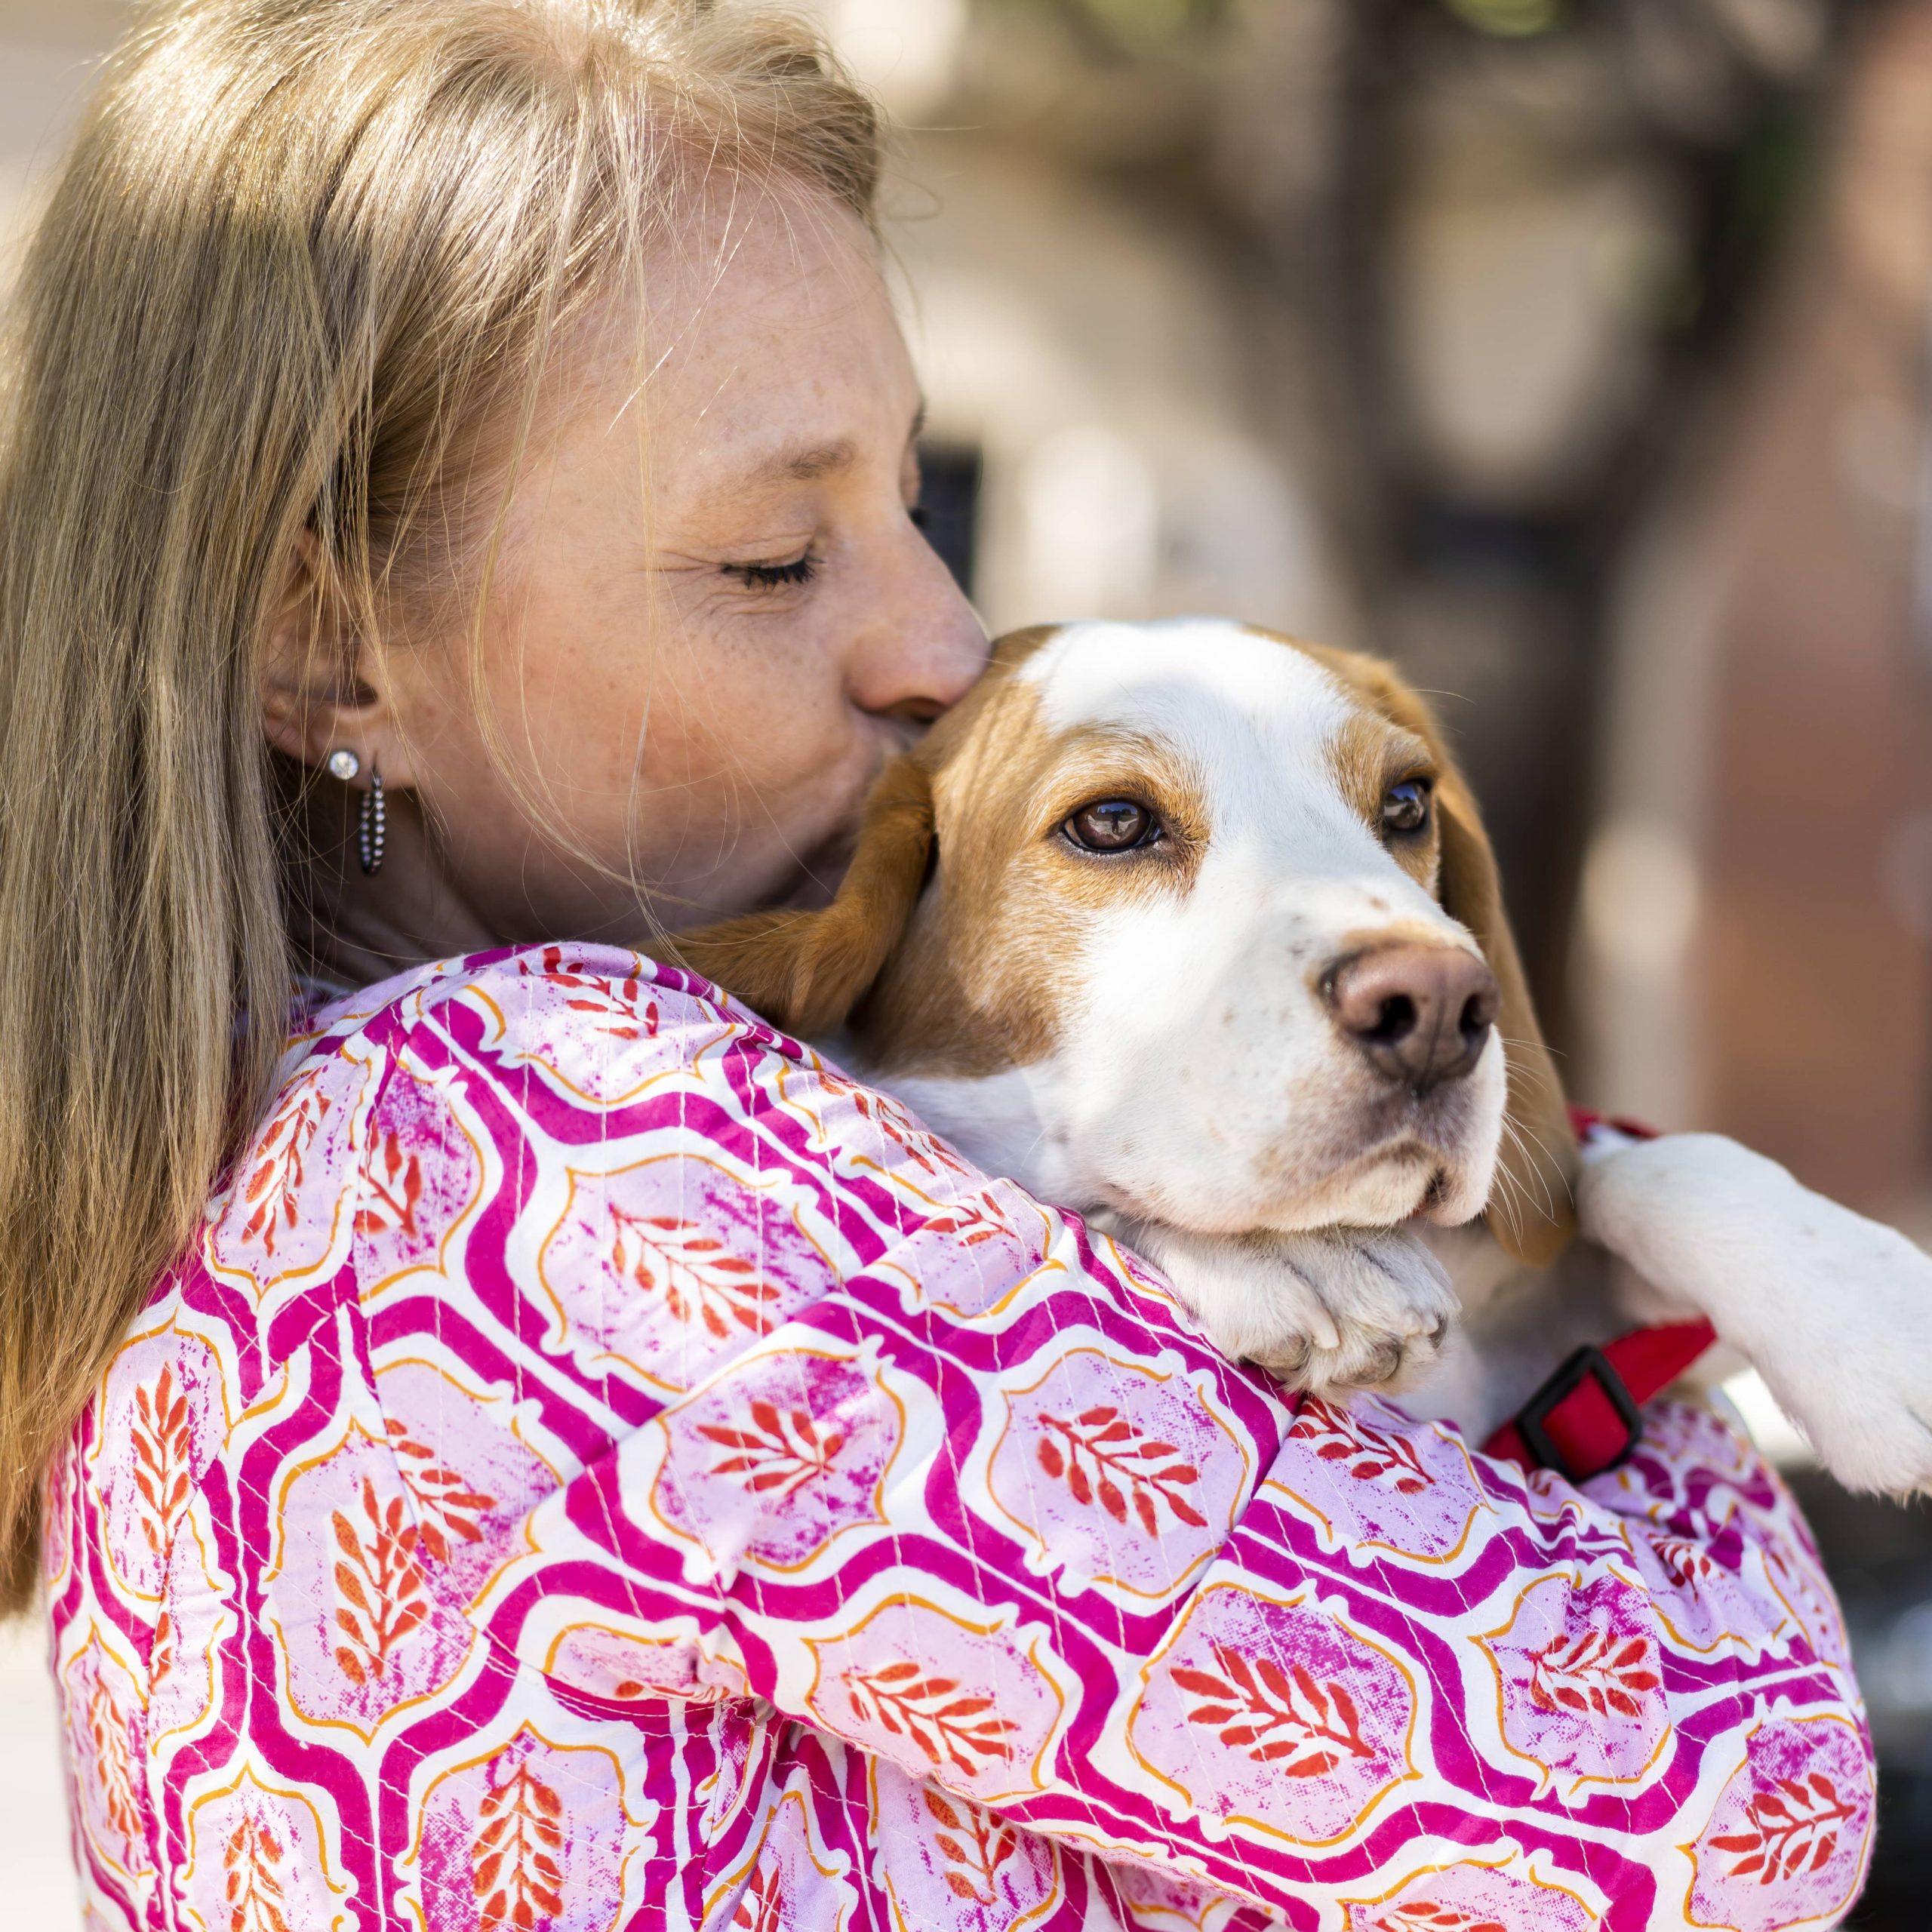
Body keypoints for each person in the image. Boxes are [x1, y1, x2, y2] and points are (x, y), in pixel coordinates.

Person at [0, 4, 1872, 1928]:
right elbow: (1718, 1798)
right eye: (770, 560)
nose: (948, 639)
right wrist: (1651, 1365)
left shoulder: (261, 1159)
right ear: (333, 659)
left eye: (916, 500)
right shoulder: (559, 1150)